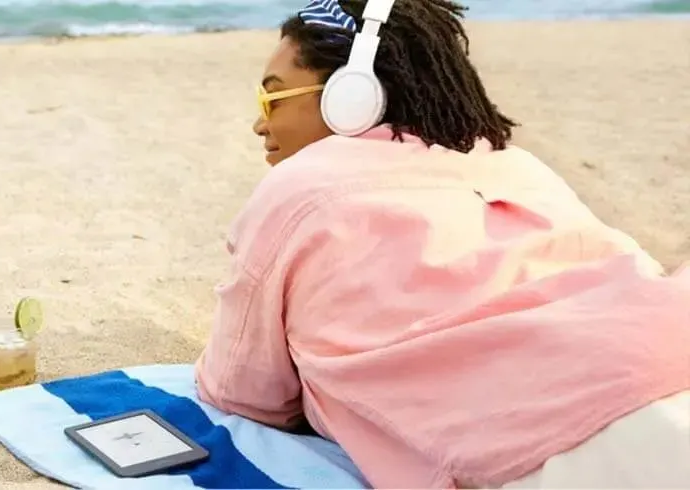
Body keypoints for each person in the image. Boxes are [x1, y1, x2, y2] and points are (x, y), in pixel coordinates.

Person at [194, 0, 690, 488]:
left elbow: (242, 391)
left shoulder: (299, 186)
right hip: (665, 351)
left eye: (273, 98)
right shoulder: (514, 162)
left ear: (350, 95)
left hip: (569, 438)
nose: (260, 122)